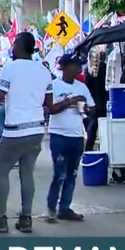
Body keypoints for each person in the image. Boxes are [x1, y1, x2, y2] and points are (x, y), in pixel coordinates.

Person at [0, 32, 53, 233]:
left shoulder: (10, 68)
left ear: (19, 47)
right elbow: (49, 104)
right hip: (36, 129)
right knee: (27, 172)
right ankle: (26, 218)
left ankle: (0, 217)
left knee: (1, 171)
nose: (11, 48)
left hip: (15, 130)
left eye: (14, 44)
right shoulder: (43, 70)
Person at [45, 54, 93, 223]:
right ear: (64, 67)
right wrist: (69, 101)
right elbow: (51, 109)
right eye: (74, 66)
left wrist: (86, 108)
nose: (78, 69)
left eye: (78, 66)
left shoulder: (82, 87)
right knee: (60, 173)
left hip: (76, 135)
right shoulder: (53, 86)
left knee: (72, 174)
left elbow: (92, 108)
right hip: (59, 135)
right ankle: (51, 207)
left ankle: (64, 208)